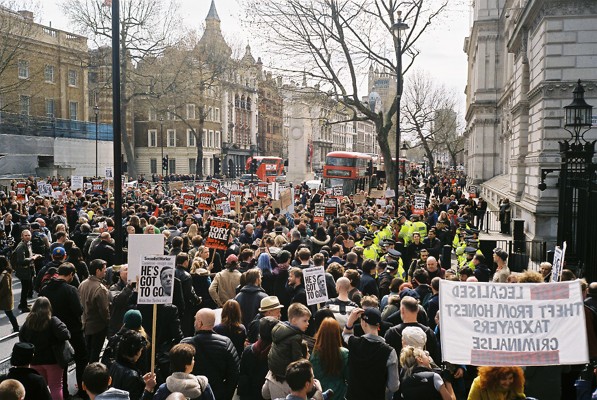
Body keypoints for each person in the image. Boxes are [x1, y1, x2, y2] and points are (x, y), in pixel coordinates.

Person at [39, 263, 87, 399]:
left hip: (53, 333)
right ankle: (83, 390)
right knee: (81, 360)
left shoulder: (45, 289)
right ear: (71, 275)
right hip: (74, 332)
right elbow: (79, 310)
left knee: (62, 365)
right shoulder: (70, 290)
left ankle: (64, 394)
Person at [18, 297, 71, 400]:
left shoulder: (28, 322)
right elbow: (66, 335)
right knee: (56, 387)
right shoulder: (53, 321)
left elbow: (22, 338)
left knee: (39, 387)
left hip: (35, 361)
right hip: (53, 360)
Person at [181, 308, 240, 400]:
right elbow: (234, 373)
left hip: (192, 393)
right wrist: (226, 394)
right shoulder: (226, 343)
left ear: (200, 323)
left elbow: (177, 370)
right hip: (218, 392)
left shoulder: (185, 344)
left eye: (195, 319)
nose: (194, 322)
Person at [342, 307, 400, 400]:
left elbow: (346, 334)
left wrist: (350, 321)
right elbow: (394, 386)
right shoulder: (389, 351)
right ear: (378, 325)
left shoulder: (354, 343)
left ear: (364, 323)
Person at [237, 316, 279, 400]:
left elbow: (242, 373)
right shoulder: (277, 354)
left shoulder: (249, 350)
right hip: (267, 395)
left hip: (249, 394)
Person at [109, 330, 157, 400]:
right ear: (136, 352)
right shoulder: (132, 376)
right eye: (140, 350)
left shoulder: (114, 364)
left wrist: (141, 380)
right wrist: (148, 388)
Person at [268, 303, 312, 379]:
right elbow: (297, 360)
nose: (308, 324)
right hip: (284, 374)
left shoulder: (280, 328)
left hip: (273, 370)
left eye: (308, 321)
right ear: (294, 321)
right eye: (305, 321)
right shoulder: (295, 337)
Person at [79, 259, 110, 362]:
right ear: (98, 271)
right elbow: (104, 310)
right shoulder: (100, 289)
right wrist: (107, 323)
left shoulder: (82, 284)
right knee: (95, 353)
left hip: (85, 324)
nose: (105, 271)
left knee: (88, 351)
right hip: (97, 326)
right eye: (104, 270)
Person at [310, 318, 349, 400]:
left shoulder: (314, 354)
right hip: (340, 394)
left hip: (321, 394)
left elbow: (315, 376)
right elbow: (348, 376)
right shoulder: (344, 353)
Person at [13, 229, 42, 312]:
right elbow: (21, 261)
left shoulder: (28, 244)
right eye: (26, 235)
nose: (28, 237)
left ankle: (23, 303)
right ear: (22, 236)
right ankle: (23, 306)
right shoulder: (21, 246)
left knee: (28, 287)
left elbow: (28, 254)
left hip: (29, 270)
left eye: (29, 235)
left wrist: (34, 255)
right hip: (24, 271)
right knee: (25, 288)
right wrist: (33, 258)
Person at [0, 255, 19, 332]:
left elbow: (6, 288)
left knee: (10, 314)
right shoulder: (4, 273)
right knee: (9, 314)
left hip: (5, 299)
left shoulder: (5, 275)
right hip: (4, 298)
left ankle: (16, 328)